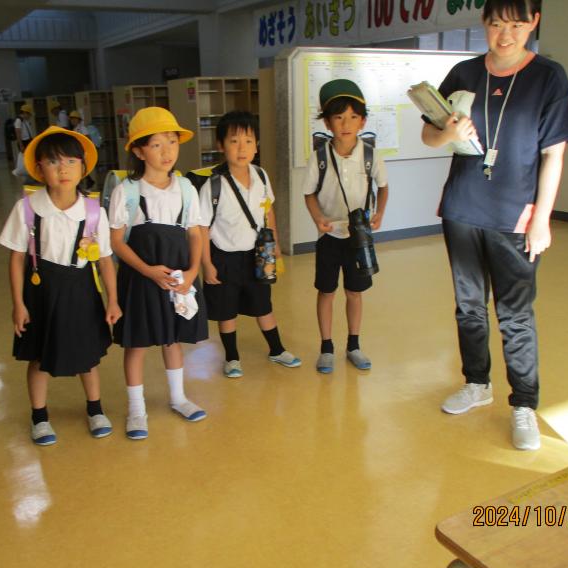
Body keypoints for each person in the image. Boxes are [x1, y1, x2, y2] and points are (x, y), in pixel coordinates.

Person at [420, 0, 568, 451]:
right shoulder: (464, 73)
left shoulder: (549, 77)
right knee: (468, 306)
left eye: (516, 24)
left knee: (515, 314)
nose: (505, 34)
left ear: (534, 23)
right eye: (495, 24)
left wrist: (542, 218)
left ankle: (524, 404)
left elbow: (554, 155)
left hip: (515, 215)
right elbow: (429, 135)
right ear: (484, 23)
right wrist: (448, 133)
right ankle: (477, 383)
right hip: (462, 208)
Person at [0, 126, 121, 446]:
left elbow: (105, 260)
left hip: (81, 291)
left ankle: (95, 410)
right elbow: (16, 259)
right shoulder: (27, 209)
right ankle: (39, 416)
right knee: (39, 357)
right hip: (41, 292)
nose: (62, 169)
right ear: (39, 169)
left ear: (83, 167)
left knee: (87, 355)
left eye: (70, 161)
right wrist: (18, 304)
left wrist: (112, 300)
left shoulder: (93, 211)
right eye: (53, 162)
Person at [109, 107, 208, 440]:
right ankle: (136, 409)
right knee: (136, 343)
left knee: (171, 337)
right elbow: (116, 242)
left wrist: (193, 271)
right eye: (156, 145)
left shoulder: (186, 188)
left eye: (172, 142)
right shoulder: (127, 191)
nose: (167, 152)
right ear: (139, 151)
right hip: (140, 278)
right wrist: (148, 271)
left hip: (178, 278)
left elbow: (195, 233)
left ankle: (178, 398)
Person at [198, 110, 300, 378]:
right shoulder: (213, 185)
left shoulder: (261, 176)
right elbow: (202, 228)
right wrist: (206, 264)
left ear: (256, 146)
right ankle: (232, 357)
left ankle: (276, 349)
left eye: (248, 141)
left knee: (263, 304)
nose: (241, 148)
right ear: (221, 145)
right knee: (226, 311)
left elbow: (268, 212)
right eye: (233, 141)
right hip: (223, 257)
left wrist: (275, 245)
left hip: (257, 254)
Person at [303, 79, 389, 374]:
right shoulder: (319, 158)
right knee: (326, 291)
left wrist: (380, 213)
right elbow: (309, 193)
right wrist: (318, 218)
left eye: (353, 117)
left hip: (359, 238)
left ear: (362, 121)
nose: (346, 124)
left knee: (355, 292)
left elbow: (383, 186)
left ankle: (354, 345)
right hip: (329, 237)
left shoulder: (370, 155)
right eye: (338, 117)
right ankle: (326, 347)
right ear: (327, 123)